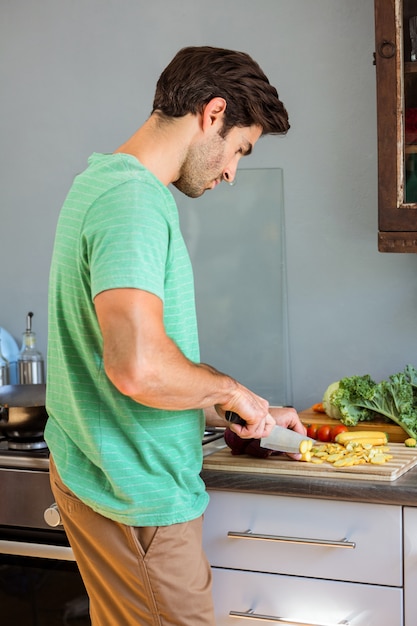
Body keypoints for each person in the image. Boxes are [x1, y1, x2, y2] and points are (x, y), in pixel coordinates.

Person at [45, 45, 306, 626]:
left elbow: (117, 369)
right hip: (139, 498)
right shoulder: (131, 199)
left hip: (122, 486)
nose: (233, 172)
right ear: (213, 114)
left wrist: (242, 406)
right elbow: (137, 367)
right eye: (240, 148)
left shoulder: (105, 185)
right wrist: (230, 390)